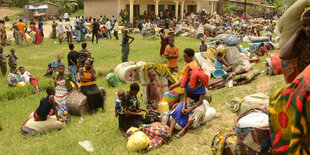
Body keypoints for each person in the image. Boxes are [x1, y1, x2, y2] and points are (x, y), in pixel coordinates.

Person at [168, 67, 209, 138]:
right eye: (189, 75)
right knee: (177, 110)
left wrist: (189, 110)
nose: (190, 77)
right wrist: (184, 106)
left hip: (197, 104)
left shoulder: (200, 86)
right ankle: (170, 133)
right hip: (188, 101)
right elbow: (185, 96)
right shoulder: (187, 83)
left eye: (191, 75)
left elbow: (200, 101)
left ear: (196, 76)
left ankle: (184, 129)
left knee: (196, 113)